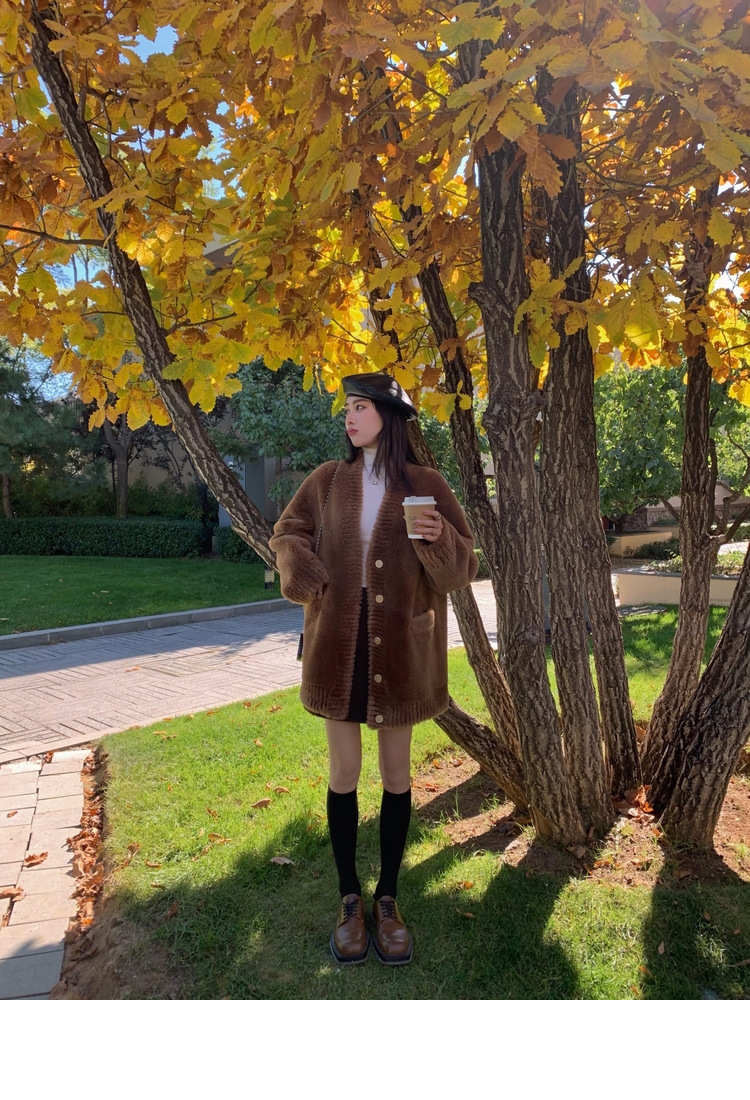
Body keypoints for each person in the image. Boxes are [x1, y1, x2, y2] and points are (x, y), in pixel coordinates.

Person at [269, 372, 478, 966]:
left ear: (389, 415)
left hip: (401, 648)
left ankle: (387, 898)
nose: (350, 417)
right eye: (347, 408)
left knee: (395, 774)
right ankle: (348, 898)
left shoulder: (426, 484)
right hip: (337, 645)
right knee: (343, 772)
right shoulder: (327, 481)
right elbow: (286, 533)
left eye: (360, 407)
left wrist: (438, 539)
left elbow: (460, 571)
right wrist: (303, 570)